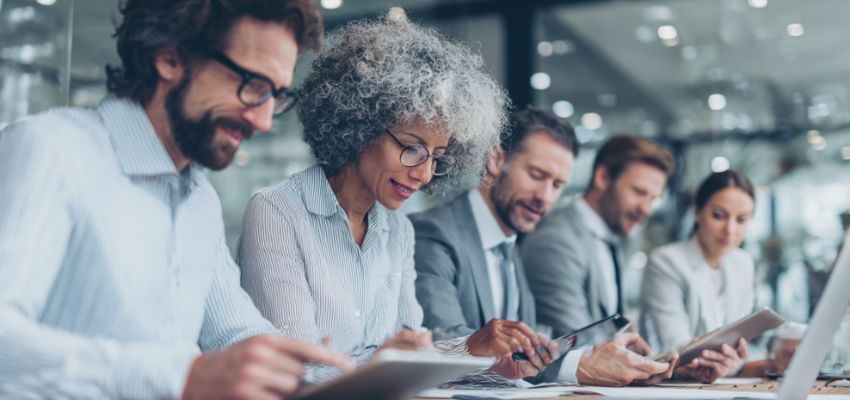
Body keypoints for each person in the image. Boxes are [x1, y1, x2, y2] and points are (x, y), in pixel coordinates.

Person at [0, 1, 353, 399]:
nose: (263, 121)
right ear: (170, 57)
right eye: (252, 85)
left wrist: (345, 378)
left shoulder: (200, 199)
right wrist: (180, 377)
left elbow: (236, 334)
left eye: (276, 95)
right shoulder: (51, 151)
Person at [236, 9, 532, 381]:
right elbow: (295, 367)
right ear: (362, 128)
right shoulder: (276, 211)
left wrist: (483, 359)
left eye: (437, 157)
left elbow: (412, 356)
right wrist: (383, 363)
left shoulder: (398, 231)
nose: (424, 173)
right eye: (412, 148)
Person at [410, 108, 676, 386]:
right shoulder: (433, 233)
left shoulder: (510, 245)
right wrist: (579, 365)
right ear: (496, 160)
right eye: (536, 175)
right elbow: (443, 344)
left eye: (557, 185)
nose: (545, 197)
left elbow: (524, 355)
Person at [520, 135, 674, 345]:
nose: (646, 209)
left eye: (653, 199)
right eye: (639, 192)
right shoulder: (555, 242)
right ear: (602, 177)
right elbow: (577, 344)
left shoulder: (613, 237)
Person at [640, 170, 781, 381]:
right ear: (697, 212)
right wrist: (723, 360)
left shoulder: (743, 263)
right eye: (718, 216)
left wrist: (735, 360)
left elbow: (741, 342)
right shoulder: (666, 262)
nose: (730, 230)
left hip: (723, 382)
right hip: (673, 384)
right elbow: (676, 350)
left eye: (741, 219)